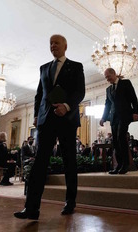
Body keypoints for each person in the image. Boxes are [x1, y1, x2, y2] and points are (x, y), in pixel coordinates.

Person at [14, 34, 85, 220]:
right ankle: (31, 208)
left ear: (65, 46)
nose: (53, 45)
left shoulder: (76, 66)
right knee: (40, 163)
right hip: (46, 121)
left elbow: (80, 92)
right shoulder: (44, 68)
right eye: (50, 43)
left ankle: (70, 202)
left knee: (69, 161)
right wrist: (37, 115)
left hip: (67, 119)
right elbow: (39, 94)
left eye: (56, 43)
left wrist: (67, 106)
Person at [99, 68, 138, 175]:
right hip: (113, 118)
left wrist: (135, 112)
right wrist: (103, 117)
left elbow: (133, 98)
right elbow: (107, 105)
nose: (107, 79)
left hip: (125, 115)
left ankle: (125, 165)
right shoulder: (108, 89)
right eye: (106, 78)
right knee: (115, 141)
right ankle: (119, 166)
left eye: (108, 77)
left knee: (121, 137)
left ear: (114, 74)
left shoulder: (125, 83)